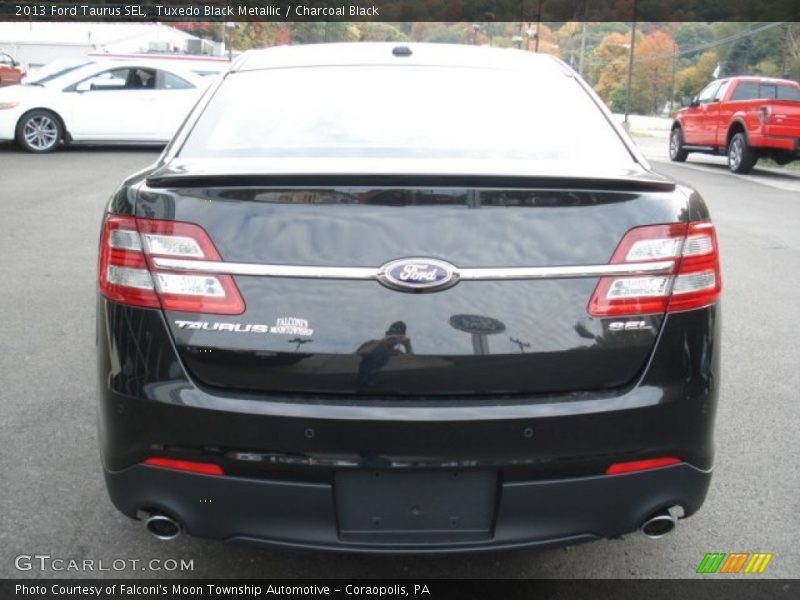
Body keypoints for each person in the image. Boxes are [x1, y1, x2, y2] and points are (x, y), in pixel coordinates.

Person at [356, 321, 413, 386]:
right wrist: (382, 341)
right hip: (363, 381)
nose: (393, 339)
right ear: (386, 334)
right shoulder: (373, 343)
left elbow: (412, 364)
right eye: (391, 335)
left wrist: (408, 346)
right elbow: (361, 353)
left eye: (398, 337)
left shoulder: (397, 352)